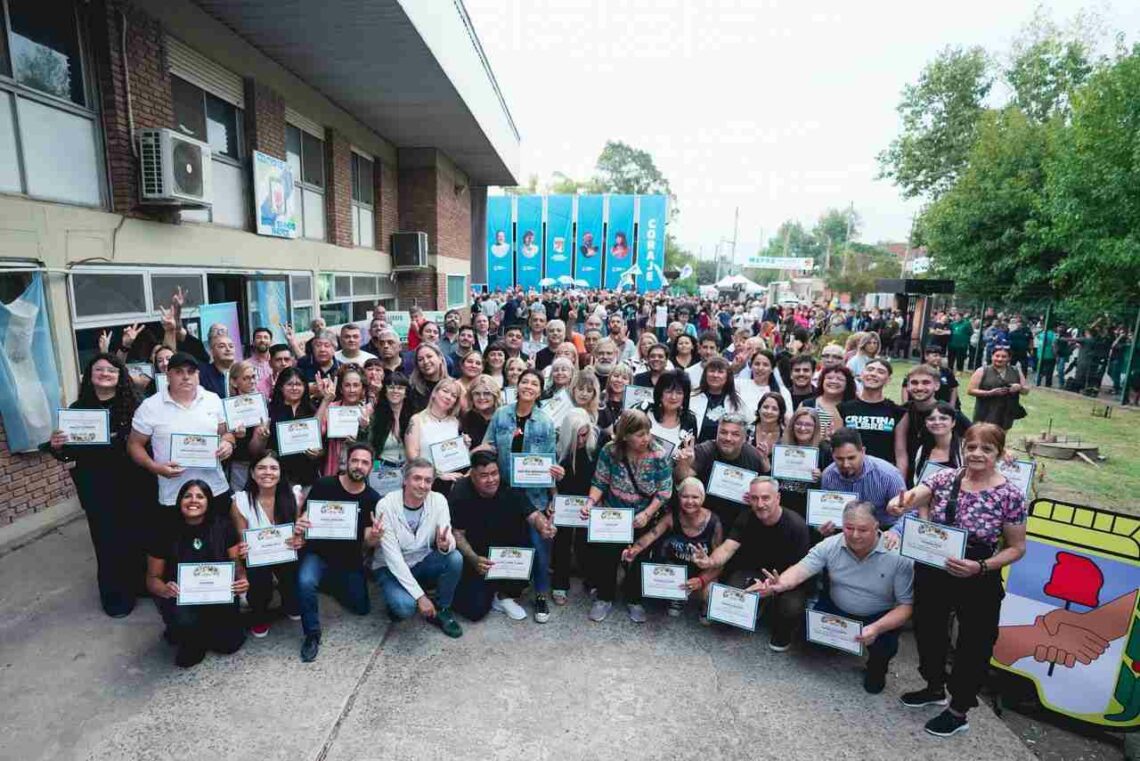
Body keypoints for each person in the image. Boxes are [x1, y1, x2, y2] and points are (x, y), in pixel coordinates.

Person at [887, 423, 1027, 738]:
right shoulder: (945, 478)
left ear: (1000, 454)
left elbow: (1017, 548)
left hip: (978, 572)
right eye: (972, 447)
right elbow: (911, 498)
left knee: (974, 642)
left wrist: (981, 566)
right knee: (929, 629)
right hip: (935, 566)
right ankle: (934, 686)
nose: (977, 454)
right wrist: (899, 503)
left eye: (986, 449)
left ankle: (958, 709)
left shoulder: (1010, 495)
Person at [751, 500, 914, 693]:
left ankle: (876, 668)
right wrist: (779, 584)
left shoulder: (898, 557)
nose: (854, 535)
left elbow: (906, 606)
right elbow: (802, 569)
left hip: (877, 615)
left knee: (884, 649)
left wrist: (877, 628)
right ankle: (834, 644)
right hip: (836, 606)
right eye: (849, 527)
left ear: (876, 527)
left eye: (863, 530)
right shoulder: (831, 544)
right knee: (811, 643)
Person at [47, 353, 148, 617]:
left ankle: (139, 583)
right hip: (97, 485)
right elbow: (68, 452)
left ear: (120, 376)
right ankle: (116, 596)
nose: (105, 373)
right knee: (106, 540)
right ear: (90, 375)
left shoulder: (135, 404)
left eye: (111, 370)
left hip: (132, 482)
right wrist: (58, 447)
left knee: (135, 535)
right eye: (99, 369)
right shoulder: (78, 409)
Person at [690, 477, 809, 651]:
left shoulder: (797, 525)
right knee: (731, 598)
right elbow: (727, 548)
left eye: (766, 498)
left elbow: (800, 569)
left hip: (787, 578)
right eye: (754, 498)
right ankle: (758, 606)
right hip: (753, 572)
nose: (760, 504)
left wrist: (774, 586)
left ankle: (783, 631)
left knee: (791, 608)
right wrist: (709, 561)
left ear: (778, 498)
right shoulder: (746, 516)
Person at [481, 368, 560, 622]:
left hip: (535, 496)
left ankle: (540, 595)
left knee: (539, 548)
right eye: (524, 381)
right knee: (508, 545)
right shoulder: (501, 415)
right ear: (517, 385)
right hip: (503, 492)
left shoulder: (545, 422)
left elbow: (550, 461)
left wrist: (553, 497)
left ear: (539, 391)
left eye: (534, 384)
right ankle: (506, 593)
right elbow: (488, 446)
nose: (528, 386)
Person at [128, 351, 235, 538]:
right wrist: (155, 467)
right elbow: (134, 445)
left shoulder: (213, 400)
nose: (186, 377)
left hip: (214, 488)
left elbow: (226, 433)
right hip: (174, 494)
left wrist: (228, 443)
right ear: (168, 375)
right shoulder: (150, 406)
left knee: (218, 548)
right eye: (179, 372)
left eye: (191, 371)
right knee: (176, 553)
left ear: (198, 375)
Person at [582, 410, 674, 623]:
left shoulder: (658, 455)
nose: (646, 438)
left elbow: (664, 490)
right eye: (640, 434)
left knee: (639, 557)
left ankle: (634, 599)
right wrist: (590, 503)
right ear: (625, 435)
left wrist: (647, 513)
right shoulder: (610, 451)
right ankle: (605, 597)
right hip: (614, 513)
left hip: (644, 514)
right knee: (607, 557)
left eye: (648, 433)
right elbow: (600, 481)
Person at [294, 444, 383, 662]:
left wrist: (375, 536)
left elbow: (368, 541)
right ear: (346, 462)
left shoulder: (373, 498)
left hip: (349, 558)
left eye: (365, 463)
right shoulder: (325, 484)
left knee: (361, 607)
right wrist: (301, 522)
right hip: (318, 553)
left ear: (371, 468)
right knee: (305, 582)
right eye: (355, 461)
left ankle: (330, 582)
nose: (359, 466)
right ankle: (312, 635)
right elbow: (305, 514)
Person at [145, 480, 247, 668]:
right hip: (182, 599)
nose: (193, 501)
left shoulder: (223, 526)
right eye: (187, 496)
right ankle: (187, 634)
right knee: (188, 656)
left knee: (228, 646)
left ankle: (211, 629)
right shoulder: (164, 531)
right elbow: (152, 579)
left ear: (209, 501)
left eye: (200, 496)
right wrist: (164, 589)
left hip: (218, 595)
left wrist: (242, 580)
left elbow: (236, 566)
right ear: (179, 500)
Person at [449, 451, 558, 621]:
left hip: (504, 550)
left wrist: (544, 527)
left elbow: (533, 514)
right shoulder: (461, 492)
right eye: (484, 476)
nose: (491, 480)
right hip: (476, 555)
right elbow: (457, 534)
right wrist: (473, 558)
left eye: (494, 473)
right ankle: (484, 592)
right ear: (472, 476)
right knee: (474, 611)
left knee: (528, 551)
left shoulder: (508, 487)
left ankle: (502, 595)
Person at [371, 457, 463, 637]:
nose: (423, 485)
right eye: (417, 478)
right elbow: (393, 558)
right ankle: (403, 597)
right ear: (405, 480)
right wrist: (420, 598)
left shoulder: (438, 500)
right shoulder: (386, 505)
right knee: (405, 608)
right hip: (389, 568)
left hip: (421, 561)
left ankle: (443, 609)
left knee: (455, 558)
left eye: (428, 480)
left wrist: (445, 545)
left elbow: (448, 534)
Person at [621, 477, 724, 618]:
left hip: (700, 571)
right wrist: (634, 550)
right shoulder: (672, 517)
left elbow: (719, 562)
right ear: (679, 497)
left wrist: (701, 581)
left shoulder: (714, 521)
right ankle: (675, 598)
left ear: (703, 498)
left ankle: (705, 605)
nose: (689, 501)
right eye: (685, 496)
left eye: (695, 497)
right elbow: (652, 535)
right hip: (675, 570)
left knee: (710, 593)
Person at [230, 452, 303, 637]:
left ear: (280, 473)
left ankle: (290, 601)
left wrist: (299, 540)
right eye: (261, 468)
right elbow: (241, 538)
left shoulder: (293, 496)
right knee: (259, 577)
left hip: (284, 553)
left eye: (273, 468)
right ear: (253, 474)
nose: (267, 473)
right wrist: (243, 550)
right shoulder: (241, 501)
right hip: (257, 557)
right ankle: (259, 613)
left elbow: (298, 531)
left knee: (294, 567)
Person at [674, 412, 768, 531]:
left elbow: (764, 491)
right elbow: (681, 479)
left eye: (735, 434)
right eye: (723, 432)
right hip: (704, 520)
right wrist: (684, 464)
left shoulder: (753, 456)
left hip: (739, 521)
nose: (728, 438)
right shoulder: (704, 450)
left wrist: (754, 497)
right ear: (717, 433)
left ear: (744, 438)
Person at [551, 408, 604, 605]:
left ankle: (591, 578)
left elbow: (601, 476)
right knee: (562, 541)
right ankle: (559, 583)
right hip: (565, 500)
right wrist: (555, 489)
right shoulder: (558, 447)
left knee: (587, 541)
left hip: (589, 497)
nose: (581, 440)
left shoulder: (597, 443)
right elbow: (551, 483)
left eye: (584, 434)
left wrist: (595, 500)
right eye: (577, 436)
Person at [893, 364, 972, 484]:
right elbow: (900, 451)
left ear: (936, 386)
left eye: (926, 383)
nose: (919, 387)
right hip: (911, 476)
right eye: (914, 383)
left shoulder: (949, 413)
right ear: (907, 386)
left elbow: (978, 436)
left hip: (943, 476)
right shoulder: (902, 412)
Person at [819, 428, 906, 535]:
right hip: (845, 531)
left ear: (863, 452)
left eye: (851, 458)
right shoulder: (828, 476)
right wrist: (824, 527)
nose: (846, 464)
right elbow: (824, 513)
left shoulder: (888, 475)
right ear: (832, 454)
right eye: (840, 459)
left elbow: (909, 513)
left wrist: (895, 532)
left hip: (884, 531)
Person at [256, 367, 322, 493]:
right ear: (281, 387)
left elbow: (323, 446)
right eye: (289, 384)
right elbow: (259, 449)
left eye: (298, 384)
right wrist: (262, 438)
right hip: (278, 477)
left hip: (308, 476)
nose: (294, 388)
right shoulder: (269, 410)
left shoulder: (313, 410)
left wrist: (317, 453)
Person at [839, 358, 903, 464]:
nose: (873, 374)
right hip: (850, 471)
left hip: (884, 473)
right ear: (862, 374)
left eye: (880, 372)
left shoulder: (897, 412)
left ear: (888, 380)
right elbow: (837, 447)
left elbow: (900, 453)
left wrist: (900, 479)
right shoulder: (843, 409)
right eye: (870, 369)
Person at [405, 377, 464, 491]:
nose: (448, 397)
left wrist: (464, 444)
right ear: (434, 393)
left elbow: (455, 455)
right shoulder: (417, 420)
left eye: (453, 395)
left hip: (450, 482)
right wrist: (437, 474)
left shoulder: (455, 422)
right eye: (445, 391)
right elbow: (412, 456)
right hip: (422, 482)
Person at [316, 364, 373, 478]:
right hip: (333, 466)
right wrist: (325, 401)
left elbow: (374, 443)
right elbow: (314, 432)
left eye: (356, 385)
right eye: (347, 385)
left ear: (363, 388)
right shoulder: (331, 407)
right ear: (341, 389)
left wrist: (362, 434)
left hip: (360, 470)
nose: (352, 390)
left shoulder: (369, 410)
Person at [775, 407, 832, 519]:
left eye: (808, 425)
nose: (802, 428)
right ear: (792, 425)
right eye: (799, 423)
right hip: (782, 506)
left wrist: (821, 477)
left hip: (808, 510)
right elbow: (771, 478)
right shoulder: (780, 445)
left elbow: (832, 484)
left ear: (815, 428)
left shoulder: (825, 450)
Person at [225, 359, 269, 491]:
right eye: (246, 378)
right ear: (234, 382)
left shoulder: (262, 403)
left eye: (254, 377)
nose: (252, 381)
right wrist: (234, 436)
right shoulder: (227, 406)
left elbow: (258, 447)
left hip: (259, 464)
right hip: (238, 465)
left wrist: (262, 437)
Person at [968, 345, 1029, 431]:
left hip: (1006, 414)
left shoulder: (1016, 371)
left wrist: (1019, 387)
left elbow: (1026, 390)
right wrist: (990, 393)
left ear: (1009, 358)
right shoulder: (982, 371)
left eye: (1004, 357)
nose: (1000, 359)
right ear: (992, 356)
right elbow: (970, 390)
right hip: (986, 413)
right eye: (997, 356)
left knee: (1000, 439)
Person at [690, 357, 748, 443]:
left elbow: (747, 425)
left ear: (727, 376)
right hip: (697, 451)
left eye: (720, 372)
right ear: (705, 374)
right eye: (712, 371)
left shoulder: (737, 401)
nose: (715, 375)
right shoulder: (692, 398)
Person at [911, 402, 965, 482]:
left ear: (953, 422)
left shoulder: (965, 448)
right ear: (926, 423)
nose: (937, 422)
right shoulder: (922, 450)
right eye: (931, 419)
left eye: (943, 418)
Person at [801, 365, 857, 438]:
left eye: (840, 379)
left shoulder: (853, 407)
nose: (834, 381)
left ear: (847, 384)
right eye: (829, 378)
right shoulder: (807, 404)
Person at [296, 330, 341, 402]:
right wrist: (311, 388)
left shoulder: (341, 367)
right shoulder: (302, 363)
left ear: (334, 349)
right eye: (318, 345)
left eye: (327, 345)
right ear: (313, 348)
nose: (322, 349)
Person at [407, 343, 449, 414]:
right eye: (420, 359)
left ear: (440, 358)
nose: (425, 362)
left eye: (429, 356)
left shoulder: (453, 386)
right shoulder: (411, 388)